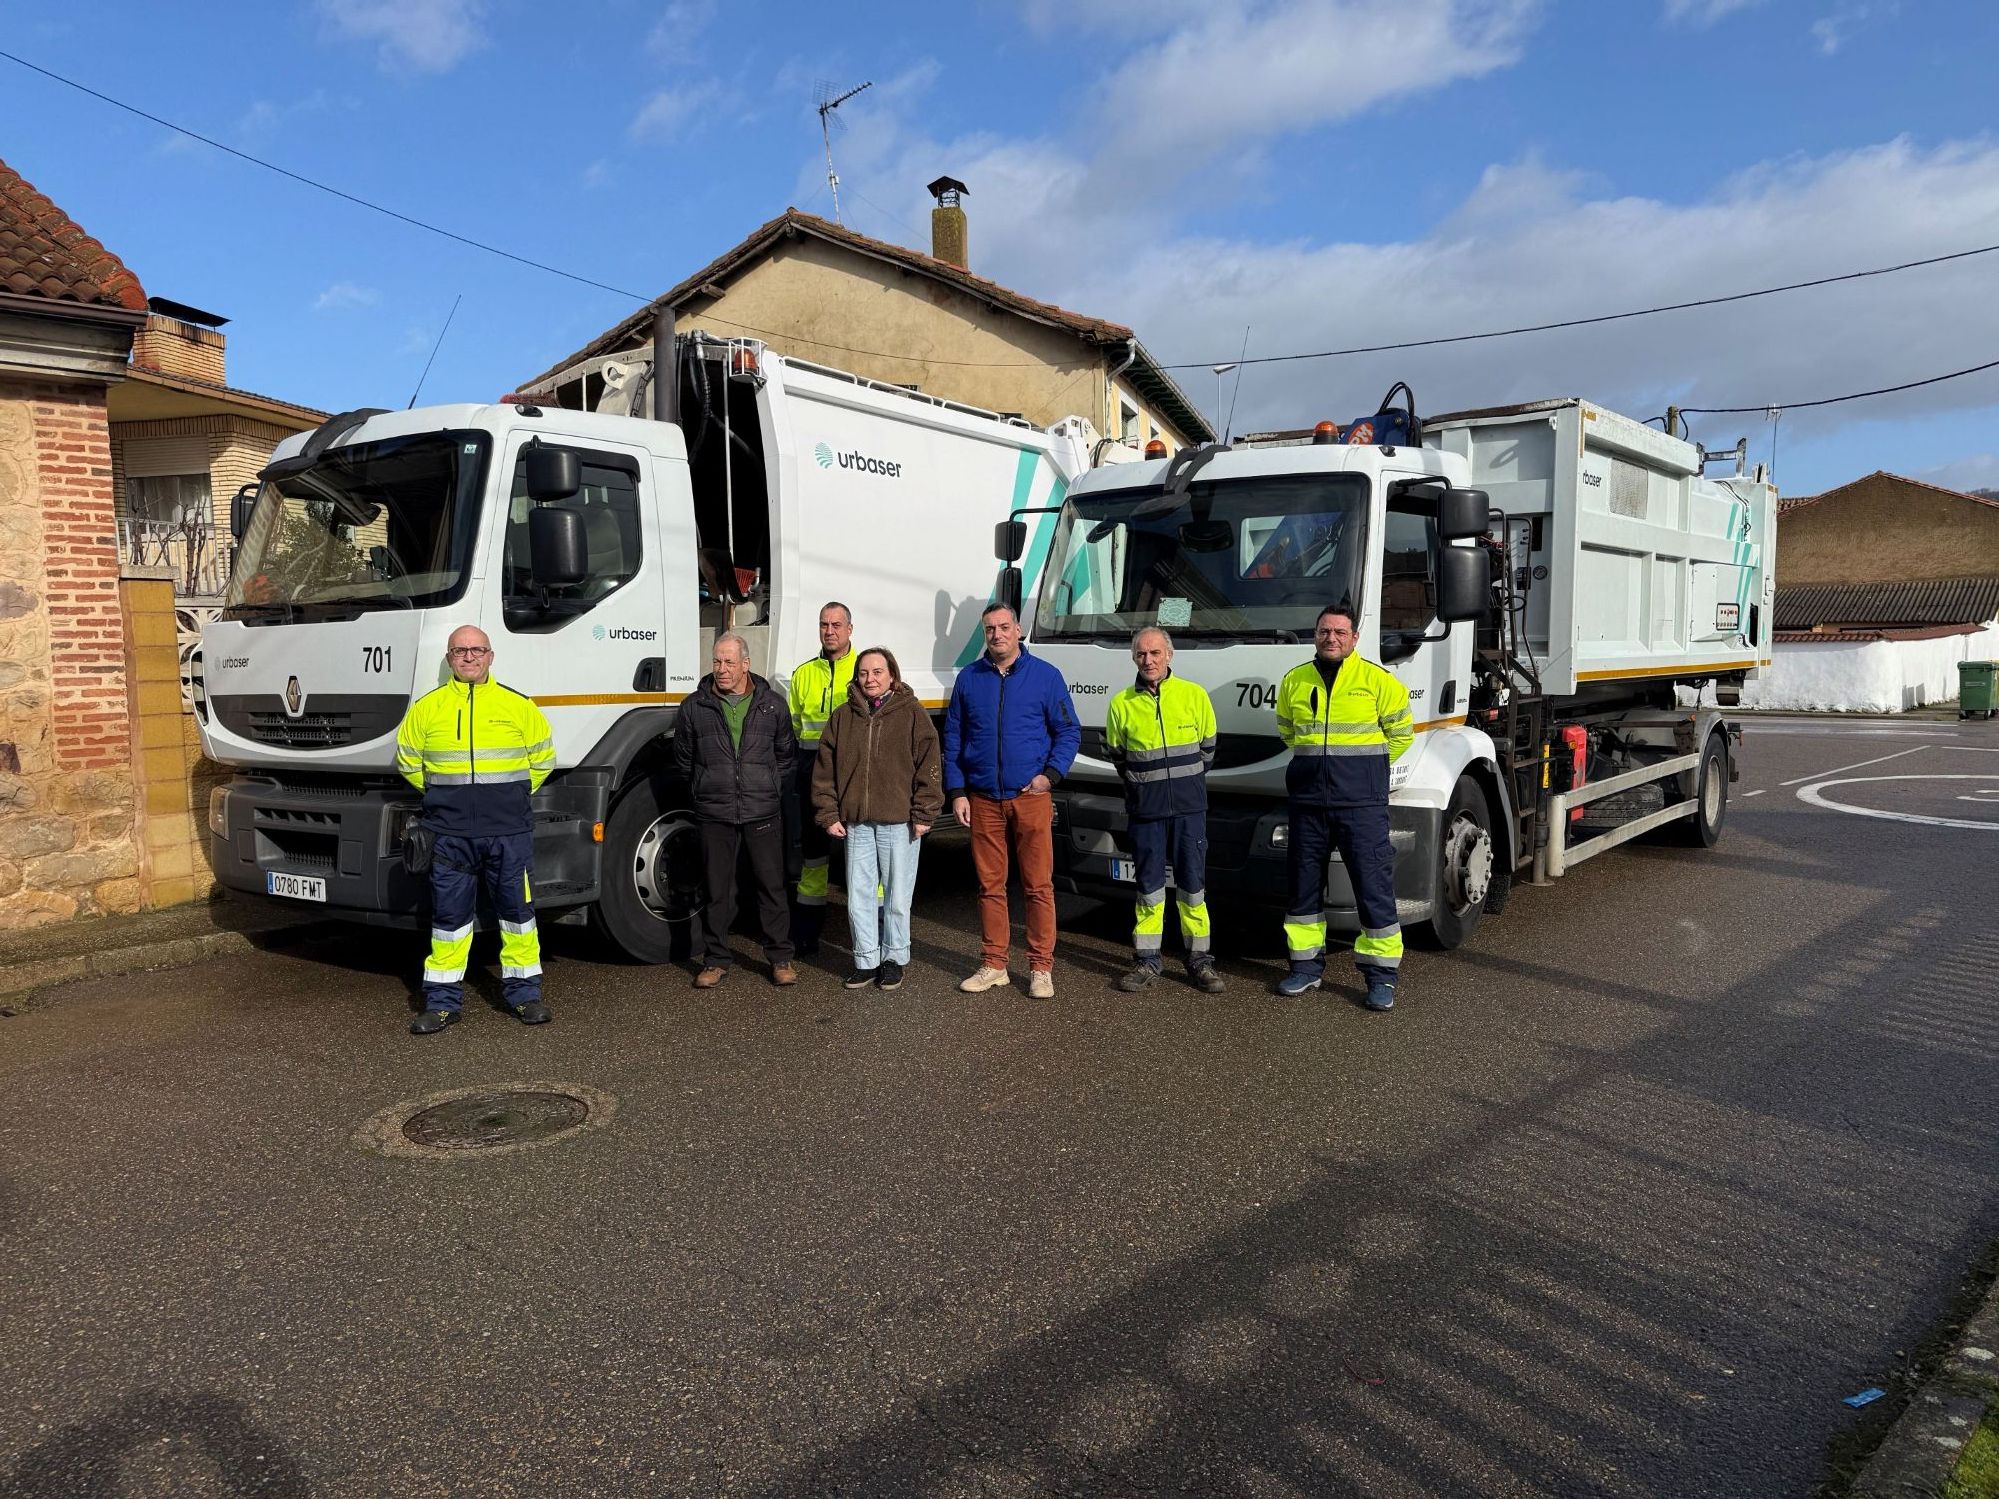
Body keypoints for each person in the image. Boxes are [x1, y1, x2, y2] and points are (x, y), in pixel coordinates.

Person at [395, 625, 557, 1035]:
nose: (469, 657)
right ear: (450, 658)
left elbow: (543, 760)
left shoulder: (518, 706)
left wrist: (506, 799)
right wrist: (448, 799)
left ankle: (525, 997)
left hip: (508, 833)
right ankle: (443, 1003)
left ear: (490, 656)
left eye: (476, 650)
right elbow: (409, 763)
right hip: (449, 836)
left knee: (518, 916)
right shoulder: (427, 708)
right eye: (460, 651)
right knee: (448, 921)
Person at [1275, 604, 1414, 1009]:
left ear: (1354, 638)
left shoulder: (1377, 680)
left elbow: (1401, 736)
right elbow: (1287, 731)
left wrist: (1363, 775)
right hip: (1308, 804)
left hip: (1361, 806)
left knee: (1373, 890)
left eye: (1339, 632)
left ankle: (1381, 978)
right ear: (1314, 635)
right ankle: (1304, 968)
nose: (1331, 638)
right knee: (1302, 890)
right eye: (1324, 631)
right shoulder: (1294, 680)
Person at [942, 602, 1080, 1000]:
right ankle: (995, 964)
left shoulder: (1045, 676)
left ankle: (1040, 968)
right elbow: (953, 739)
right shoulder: (970, 679)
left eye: (1004, 627)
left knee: (1038, 886)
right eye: (990, 629)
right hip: (983, 798)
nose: (997, 634)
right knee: (990, 886)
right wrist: (957, 792)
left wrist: (1049, 775)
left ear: (1018, 630)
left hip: (1029, 796)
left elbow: (1067, 731)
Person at [1102, 628, 1225, 995]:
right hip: (1147, 812)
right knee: (1149, 889)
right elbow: (1118, 756)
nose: (1149, 660)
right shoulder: (1121, 703)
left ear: (1169, 655)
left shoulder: (1194, 696)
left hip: (1190, 810)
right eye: (1141, 654)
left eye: (1155, 653)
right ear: (1133, 658)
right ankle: (1147, 961)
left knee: (1193, 889)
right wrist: (1147, 789)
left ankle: (1200, 962)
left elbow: (1208, 750)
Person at [811, 647, 942, 990]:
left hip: (900, 822)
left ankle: (894, 958)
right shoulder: (842, 717)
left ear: (892, 676)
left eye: (878, 672)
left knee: (898, 896)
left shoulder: (912, 713)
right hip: (856, 822)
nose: (870, 678)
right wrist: (829, 813)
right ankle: (866, 959)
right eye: (864, 672)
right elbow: (824, 772)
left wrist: (925, 812)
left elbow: (930, 765)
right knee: (859, 894)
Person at [673, 632, 798, 988]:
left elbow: (785, 757)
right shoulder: (693, 707)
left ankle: (780, 958)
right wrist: (703, 788)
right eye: (716, 661)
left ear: (746, 664)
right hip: (715, 811)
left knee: (771, 887)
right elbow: (685, 760)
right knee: (717, 890)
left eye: (729, 662)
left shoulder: (772, 705)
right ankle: (715, 960)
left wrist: (768, 786)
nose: (722, 669)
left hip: (762, 810)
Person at [786, 602, 857, 955]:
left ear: (849, 629)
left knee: (862, 857)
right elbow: (795, 727)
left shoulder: (864, 670)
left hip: (854, 773)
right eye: (824, 624)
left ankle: (869, 939)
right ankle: (806, 935)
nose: (829, 631)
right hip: (813, 772)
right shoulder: (803, 674)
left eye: (836, 625)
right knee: (813, 855)